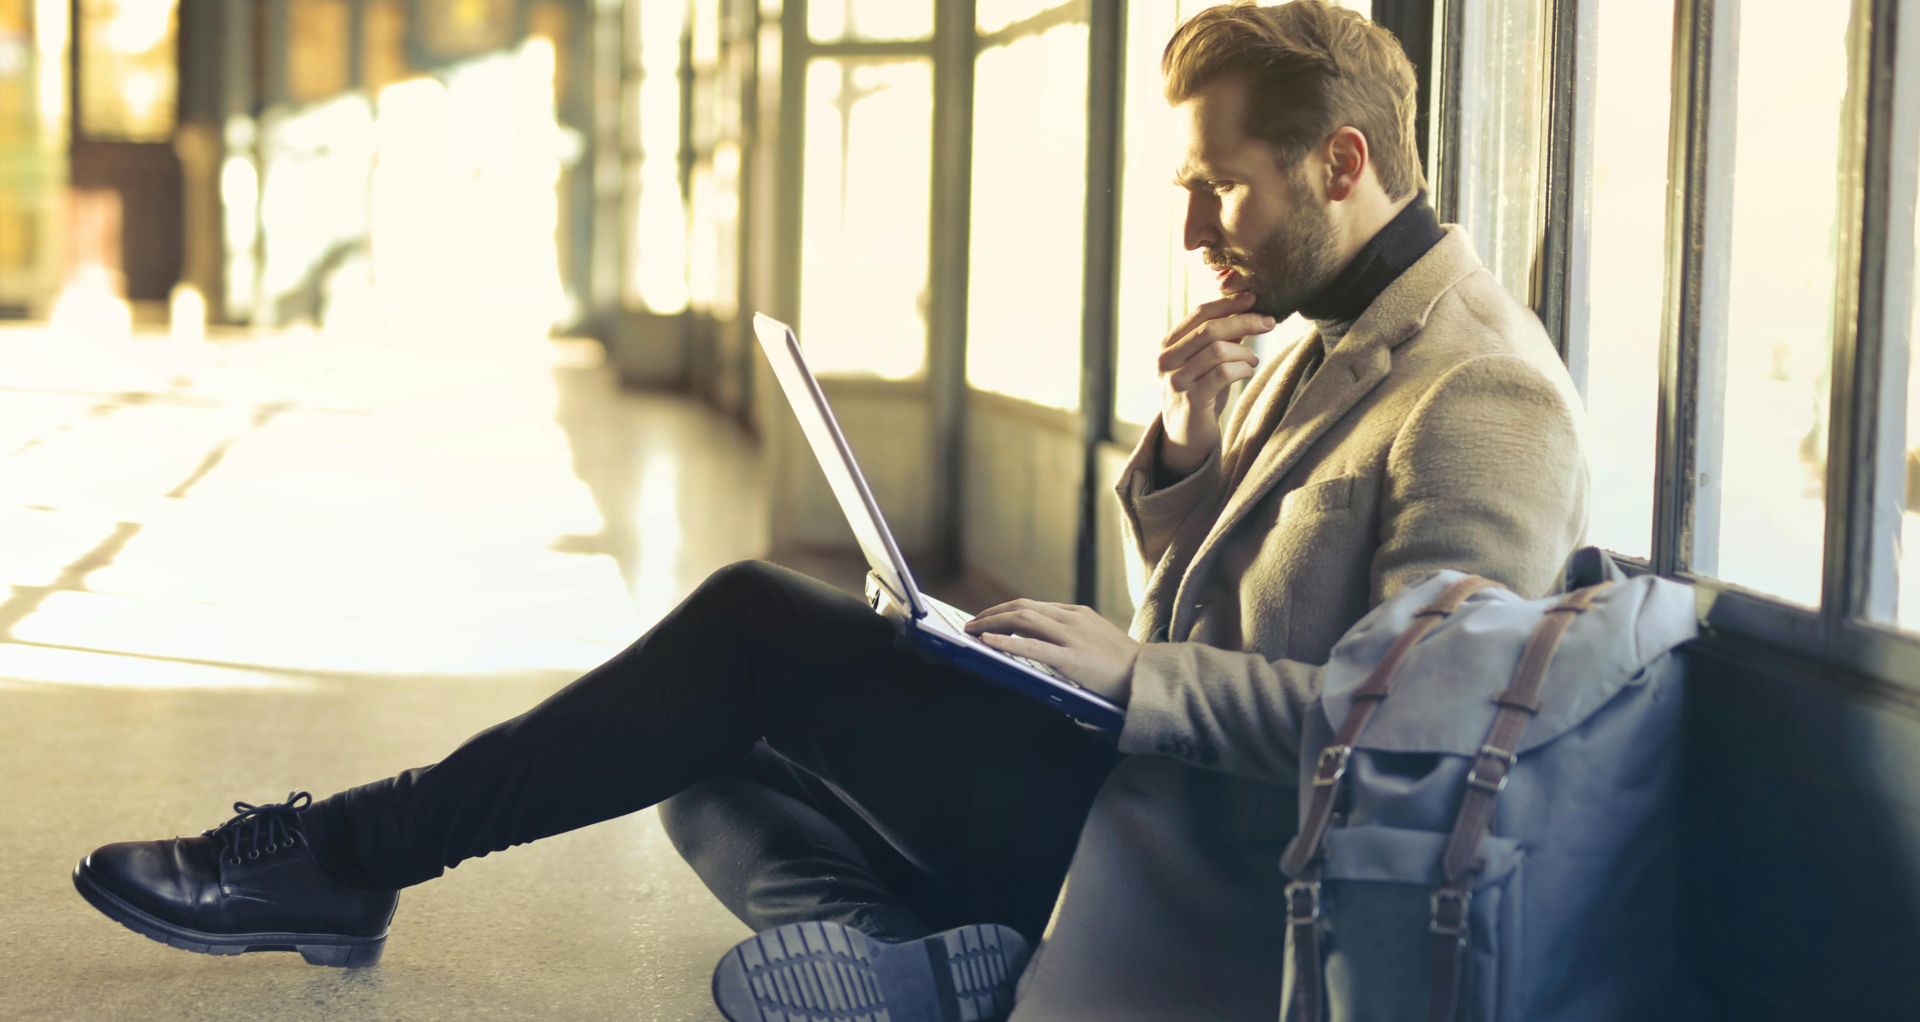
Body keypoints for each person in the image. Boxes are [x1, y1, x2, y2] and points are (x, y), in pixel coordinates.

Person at [70, 3, 1588, 1020]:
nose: (1196, 233)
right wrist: (1189, 452)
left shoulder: (1481, 394)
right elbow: (1236, 598)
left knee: (741, 632)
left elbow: (1421, 740)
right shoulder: (1311, 324)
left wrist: (1128, 675)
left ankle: (346, 856)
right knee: (683, 754)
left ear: (1343, 162)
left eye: (1224, 190)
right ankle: (932, 966)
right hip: (1132, 787)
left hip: (1219, 866)